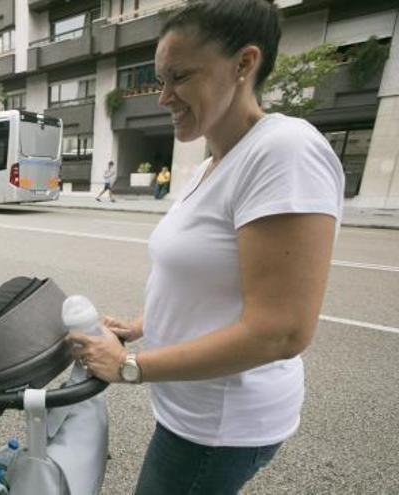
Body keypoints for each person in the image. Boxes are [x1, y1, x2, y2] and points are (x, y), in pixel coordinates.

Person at [66, 1, 343, 494]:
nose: (163, 96)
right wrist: (143, 325)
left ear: (244, 64)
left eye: (179, 77)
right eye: (160, 79)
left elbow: (280, 332)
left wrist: (130, 367)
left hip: (220, 426)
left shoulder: (284, 152)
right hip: (195, 410)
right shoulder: (214, 163)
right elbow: (212, 283)